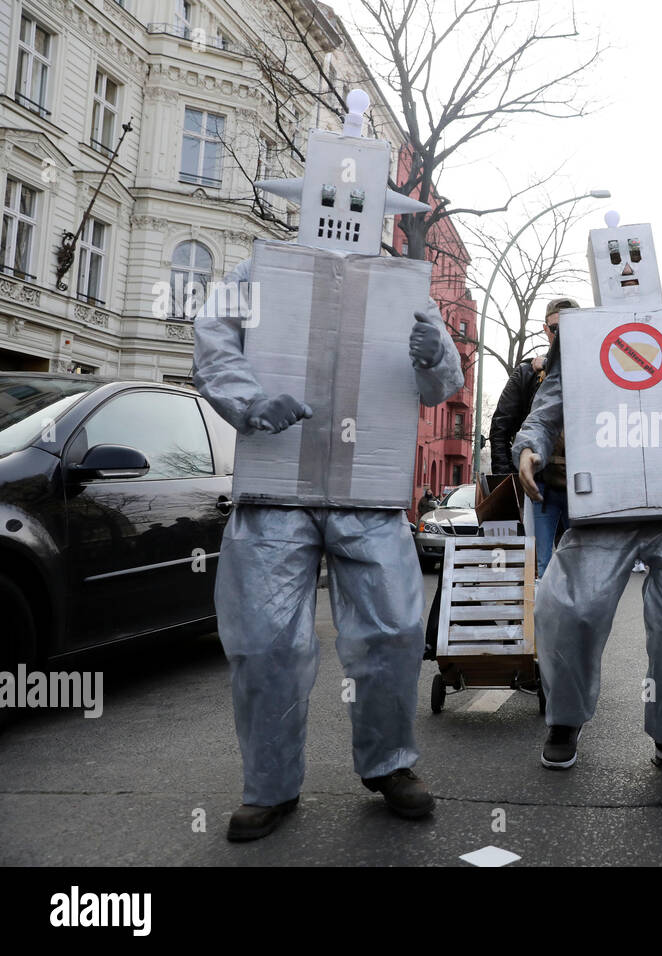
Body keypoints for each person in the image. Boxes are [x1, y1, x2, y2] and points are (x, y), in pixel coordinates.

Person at [193, 90, 463, 841]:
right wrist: (250, 400)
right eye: (331, 192)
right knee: (265, 640)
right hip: (276, 494)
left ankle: (389, 763)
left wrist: (433, 354)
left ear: (380, 206)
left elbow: (444, 385)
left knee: (391, 631)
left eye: (358, 196)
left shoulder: (405, 285)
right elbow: (215, 347)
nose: (342, 206)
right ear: (308, 193)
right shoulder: (261, 271)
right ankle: (271, 785)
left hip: (368, 497)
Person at [514, 212, 662, 775]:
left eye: (635, 257)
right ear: (600, 266)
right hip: (606, 507)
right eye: (615, 258)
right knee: (567, 610)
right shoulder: (577, 344)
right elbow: (544, 414)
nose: (626, 269)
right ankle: (564, 719)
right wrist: (526, 449)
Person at [489, 297, 579, 578]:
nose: (561, 335)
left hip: (581, 488)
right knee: (539, 568)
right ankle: (541, 621)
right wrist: (509, 486)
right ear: (545, 329)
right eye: (555, 329)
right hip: (540, 486)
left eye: (571, 327)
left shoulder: (595, 369)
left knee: (579, 570)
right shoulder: (529, 372)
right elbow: (501, 428)